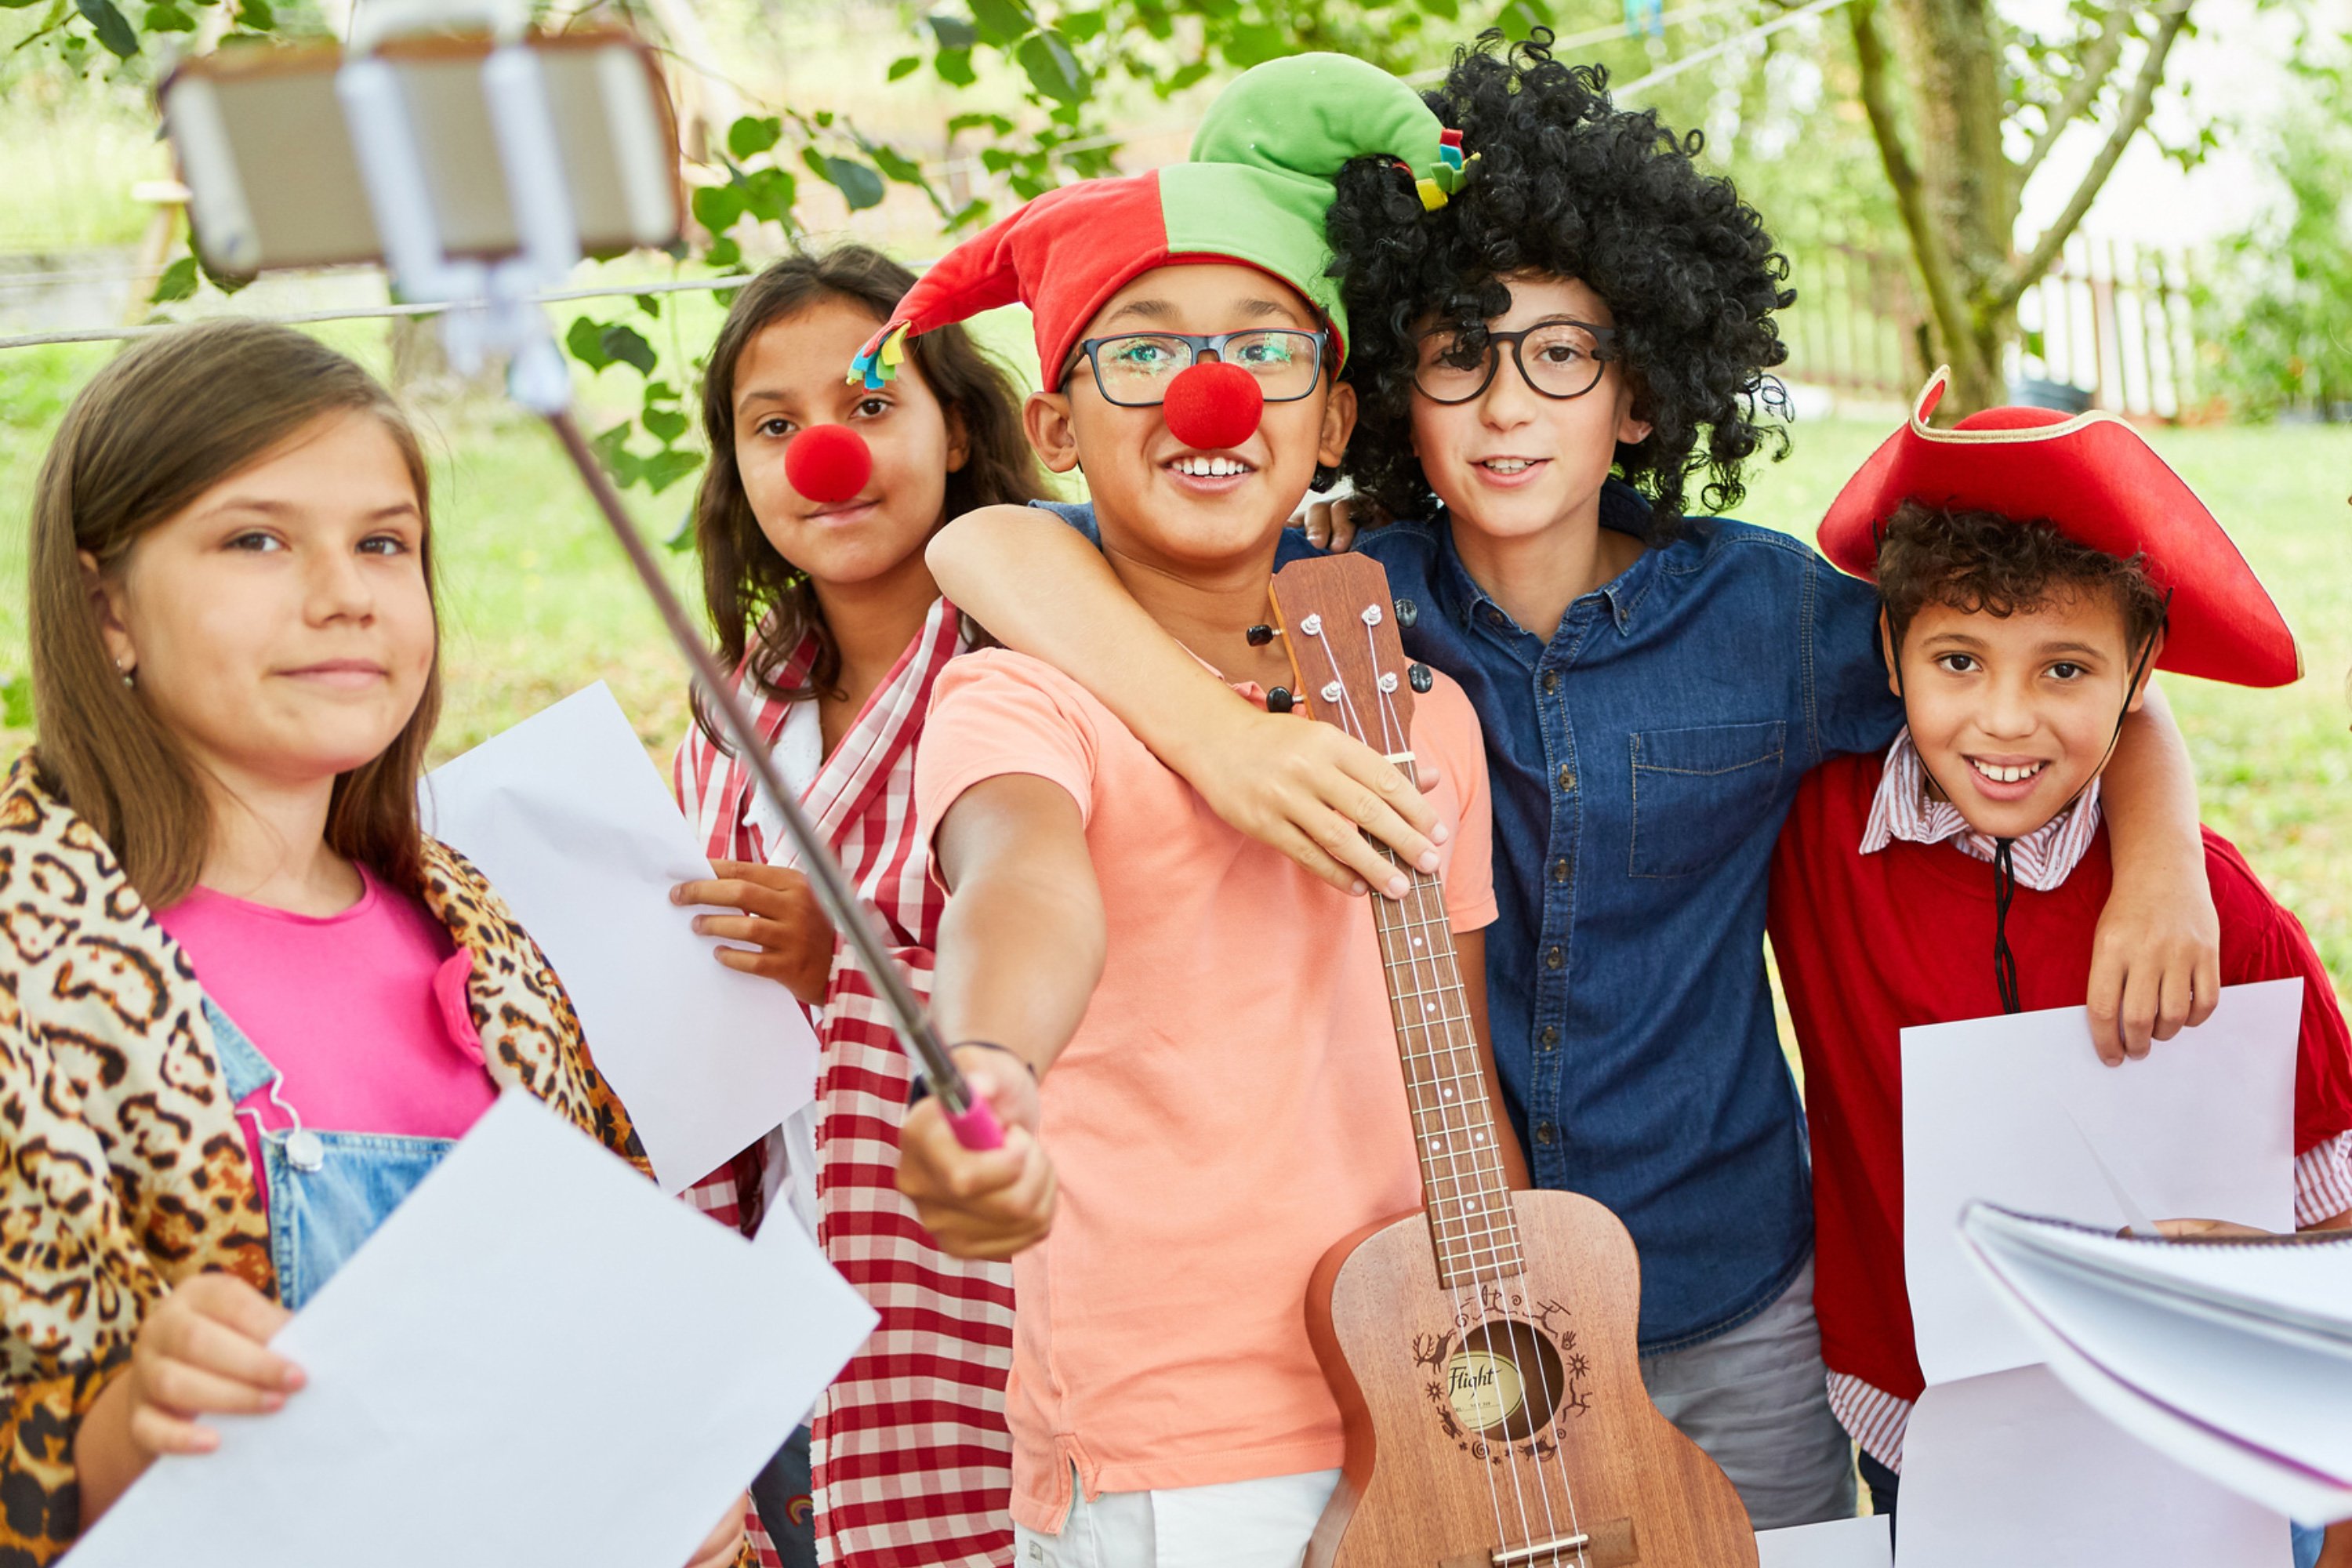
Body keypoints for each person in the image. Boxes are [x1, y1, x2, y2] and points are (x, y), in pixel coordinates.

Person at [923, 29, 2220, 1528]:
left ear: (1646, 396)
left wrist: (2165, 850)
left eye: (1564, 356)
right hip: (1456, 1321)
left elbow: (2051, 675)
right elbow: (990, 544)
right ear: (1393, 398)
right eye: (1459, 355)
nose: (1508, 404)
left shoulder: (1773, 623)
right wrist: (1221, 737)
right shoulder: (1342, 601)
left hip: (1727, 1277)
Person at [883, 54, 1511, 1566]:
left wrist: (1519, 1372)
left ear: (1335, 411)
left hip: (1443, 1416)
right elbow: (1023, 884)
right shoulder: (1022, 702)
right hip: (1172, 1460)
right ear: (1053, 430)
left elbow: (1457, 1087)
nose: (1208, 389)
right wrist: (990, 1062)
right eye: (1142, 353)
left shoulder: (1427, 715)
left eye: (1261, 348)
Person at [0, 320, 740, 1567]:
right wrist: (129, 1427)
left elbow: (618, 1323)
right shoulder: (30, 966)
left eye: (384, 544)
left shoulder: (476, 926)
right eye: (256, 539)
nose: (345, 592)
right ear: (105, 606)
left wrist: (671, 1481)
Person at [1768, 372, 2352, 1566]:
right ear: (1888, 651)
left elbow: (2333, 1255)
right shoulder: (1812, 834)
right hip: (1924, 1420)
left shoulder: (2222, 923)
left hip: (2198, 1460)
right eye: (1960, 661)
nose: (2006, 721)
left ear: (2141, 684)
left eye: (2066, 672)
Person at [666, 246, 1050, 1568]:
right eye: (776, 426)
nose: (824, 454)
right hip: (773, 1288)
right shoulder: (736, 703)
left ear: (960, 430)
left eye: (870, 404)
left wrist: (842, 964)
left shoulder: (1038, 671)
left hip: (973, 1310)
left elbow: (1095, 967)